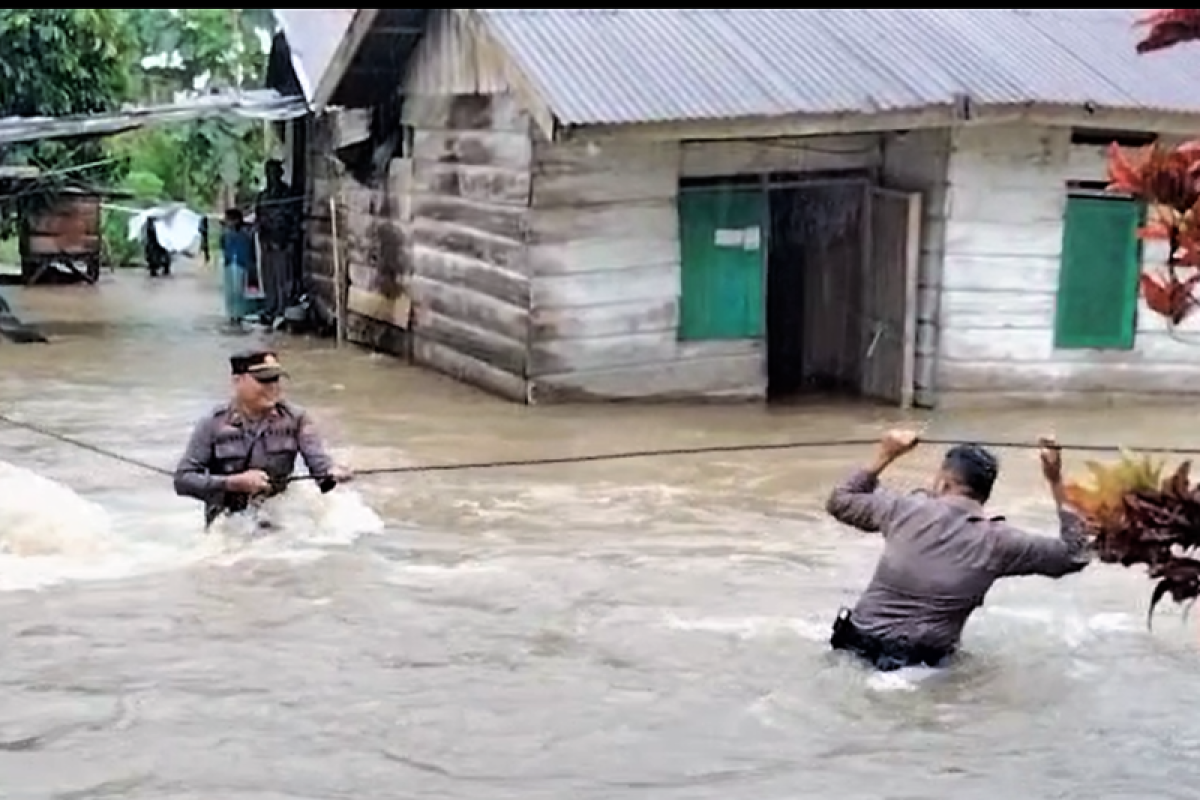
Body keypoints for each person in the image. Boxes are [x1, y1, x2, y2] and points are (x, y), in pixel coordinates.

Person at [825, 429, 1092, 672]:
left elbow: (841, 500)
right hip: (922, 668)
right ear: (985, 494)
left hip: (852, 652)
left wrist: (886, 454)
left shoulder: (903, 509)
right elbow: (1075, 554)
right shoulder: (999, 543)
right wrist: (1056, 481)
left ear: (943, 483)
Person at [173, 348, 352, 529]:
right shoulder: (213, 424)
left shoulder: (296, 418)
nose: (273, 387)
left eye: (276, 379)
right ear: (238, 381)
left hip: (278, 520)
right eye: (264, 380)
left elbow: (319, 465)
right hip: (227, 523)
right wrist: (234, 483)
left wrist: (332, 472)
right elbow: (183, 480)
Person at [254, 159, 301, 327]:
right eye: (268, 173)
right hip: (267, 244)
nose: (271, 176)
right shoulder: (262, 197)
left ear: (280, 174)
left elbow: (295, 220)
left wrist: (291, 243)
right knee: (269, 280)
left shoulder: (288, 195)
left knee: (284, 280)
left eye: (274, 172)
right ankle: (270, 309)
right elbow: (258, 219)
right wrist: (262, 238)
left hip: (283, 243)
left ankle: (282, 311)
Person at [219, 209, 255, 325]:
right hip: (229, 263)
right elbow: (223, 247)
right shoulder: (226, 235)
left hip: (240, 264)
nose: (227, 222)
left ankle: (238, 315)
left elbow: (249, 251)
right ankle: (231, 315)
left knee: (239, 291)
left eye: (228, 220)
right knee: (230, 291)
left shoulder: (245, 235)